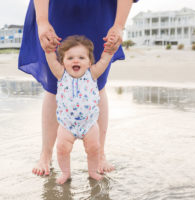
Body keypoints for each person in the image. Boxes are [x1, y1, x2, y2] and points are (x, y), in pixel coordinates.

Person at [18, 0, 140, 176]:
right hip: (56, 8)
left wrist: (119, 25)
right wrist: (43, 22)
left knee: (98, 83)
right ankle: (46, 154)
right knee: (53, 85)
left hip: (100, 8)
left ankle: (99, 154)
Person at [45, 35, 114, 184]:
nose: (76, 61)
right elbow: (51, 59)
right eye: (70, 58)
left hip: (89, 124)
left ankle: (92, 171)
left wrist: (109, 51)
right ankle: (65, 173)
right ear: (63, 62)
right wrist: (48, 50)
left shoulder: (92, 74)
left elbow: (104, 61)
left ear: (89, 62)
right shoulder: (61, 74)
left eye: (81, 58)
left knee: (94, 148)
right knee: (62, 148)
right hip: (66, 124)